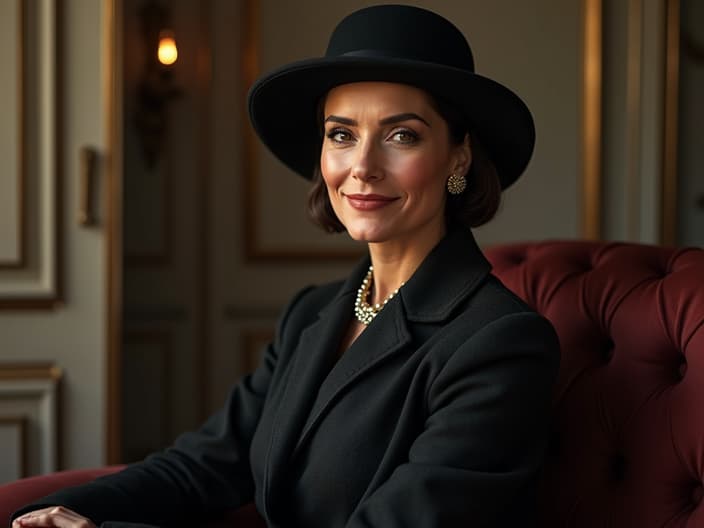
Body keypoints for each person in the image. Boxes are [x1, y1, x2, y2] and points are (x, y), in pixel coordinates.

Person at [12, 5, 559, 528]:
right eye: (341, 134)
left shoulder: (500, 343)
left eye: (402, 135)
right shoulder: (313, 313)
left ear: (458, 157)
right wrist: (40, 514)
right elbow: (202, 465)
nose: (362, 167)